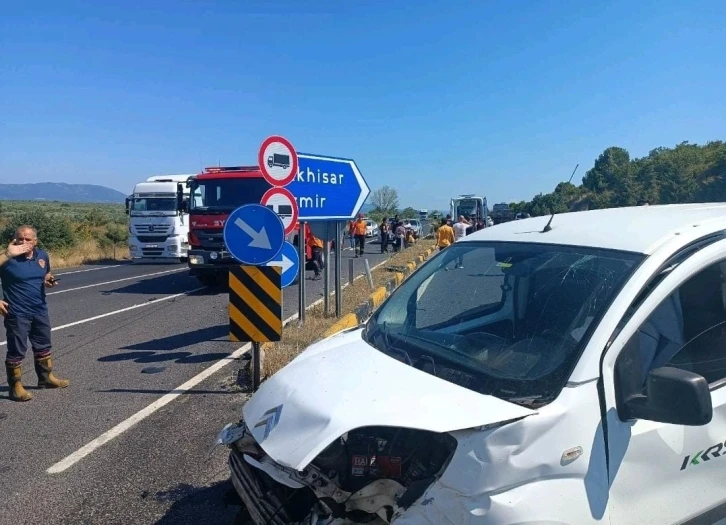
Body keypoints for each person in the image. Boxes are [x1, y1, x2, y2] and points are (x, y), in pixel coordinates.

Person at [1, 225, 69, 402]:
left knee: (43, 345)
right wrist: (8, 254)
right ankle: (15, 387)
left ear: (35, 241)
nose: (23, 242)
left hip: (39, 309)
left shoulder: (42, 255)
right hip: (17, 312)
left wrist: (49, 280)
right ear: (14, 240)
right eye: (20, 239)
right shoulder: (6, 257)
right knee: (17, 350)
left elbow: (45, 274)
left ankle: (46, 378)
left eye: (28, 239)